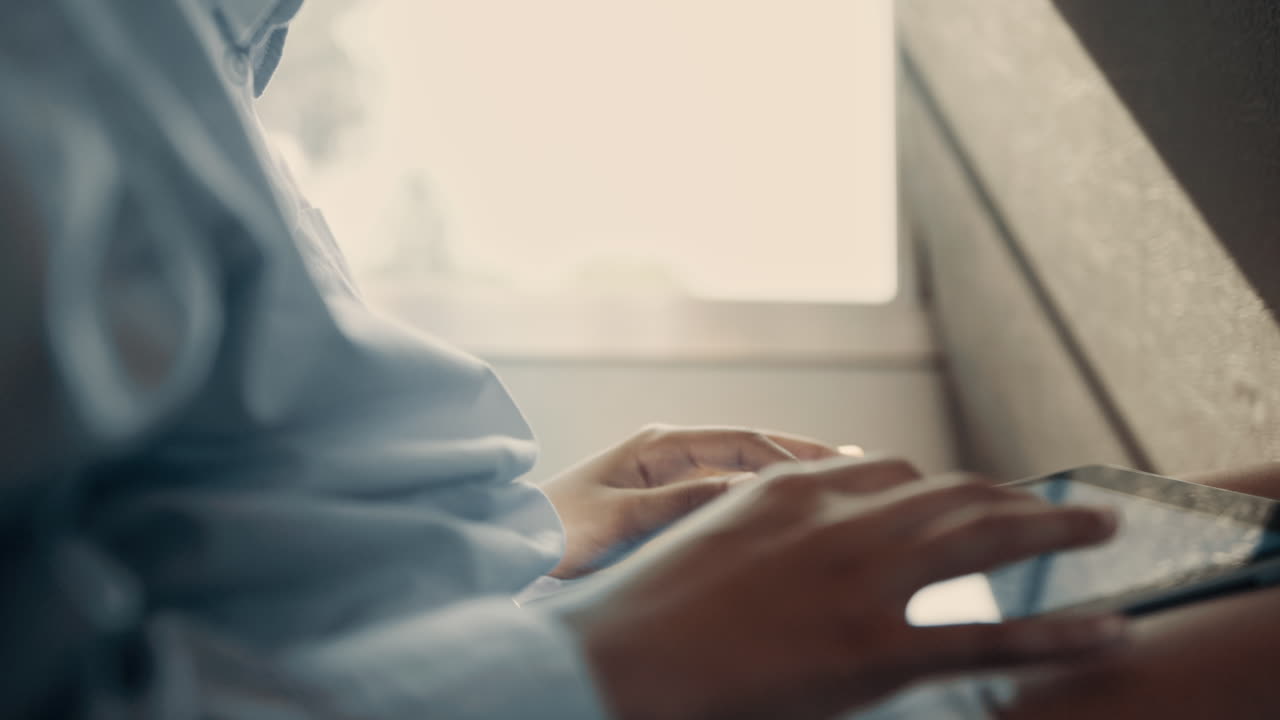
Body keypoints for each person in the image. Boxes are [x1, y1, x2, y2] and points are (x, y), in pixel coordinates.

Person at [1, 2, 1275, 719]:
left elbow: (163, 532)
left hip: (514, 624)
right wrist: (614, 664)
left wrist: (529, 536)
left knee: (1140, 537)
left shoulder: (180, 49)